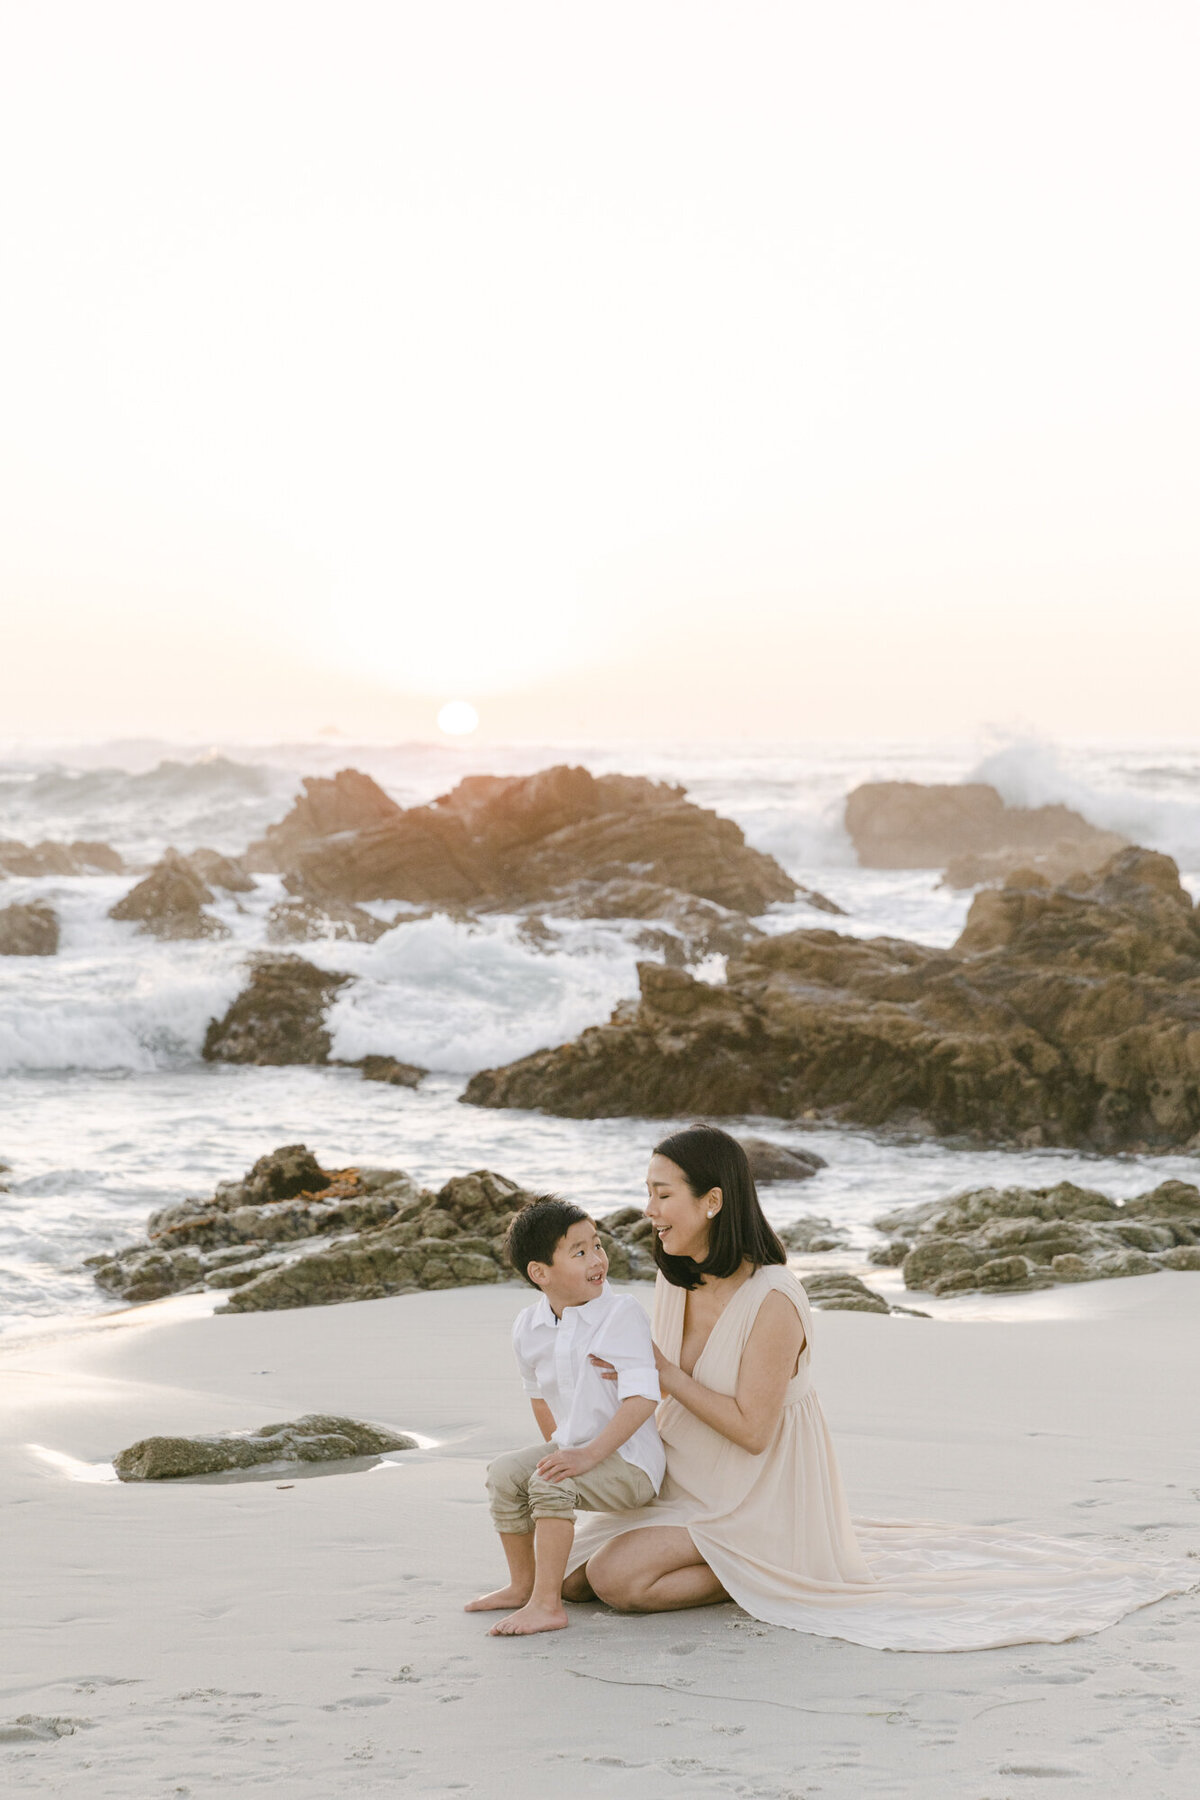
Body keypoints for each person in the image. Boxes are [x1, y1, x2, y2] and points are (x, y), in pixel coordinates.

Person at [564, 1124, 1191, 1652]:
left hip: (755, 1488)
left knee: (620, 1582)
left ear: (713, 1201)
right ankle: (731, 1558)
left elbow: (754, 1432)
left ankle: (771, 1565)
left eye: (661, 1193)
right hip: (687, 1472)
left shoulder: (773, 1298)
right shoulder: (678, 1278)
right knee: (572, 1578)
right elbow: (655, 1392)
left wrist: (664, 1374)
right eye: (647, 1192)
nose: (647, 1210)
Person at [466, 1196, 666, 1637]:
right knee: (504, 1473)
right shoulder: (527, 1325)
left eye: (597, 1245)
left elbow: (643, 1399)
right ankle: (524, 1585)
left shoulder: (620, 1313)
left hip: (632, 1464)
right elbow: (538, 1395)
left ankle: (547, 1605)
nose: (598, 1259)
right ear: (540, 1273)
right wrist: (561, 1448)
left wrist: (586, 1457)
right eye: (580, 1252)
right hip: (580, 1452)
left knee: (549, 1481)